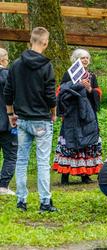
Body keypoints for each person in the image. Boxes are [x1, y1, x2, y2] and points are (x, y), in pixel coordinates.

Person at [4, 27, 57, 212]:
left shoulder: (16, 64)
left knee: (21, 160)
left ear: (30, 41)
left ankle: (21, 201)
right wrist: (54, 111)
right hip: (41, 119)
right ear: (45, 42)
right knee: (42, 162)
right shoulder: (46, 66)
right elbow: (51, 95)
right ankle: (44, 202)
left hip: (22, 120)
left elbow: (8, 92)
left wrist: (11, 115)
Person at [53, 48, 103, 185]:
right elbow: (61, 93)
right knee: (70, 144)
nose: (85, 60)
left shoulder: (91, 76)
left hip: (87, 115)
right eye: (82, 58)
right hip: (72, 115)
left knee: (87, 143)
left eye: (87, 58)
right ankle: (65, 176)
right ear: (76, 60)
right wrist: (77, 86)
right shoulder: (69, 74)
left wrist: (90, 90)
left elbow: (97, 94)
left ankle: (85, 175)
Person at [0, 48, 17, 196]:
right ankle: (3, 186)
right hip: (6, 121)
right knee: (11, 154)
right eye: (7, 58)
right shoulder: (8, 75)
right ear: (2, 59)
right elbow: (13, 98)